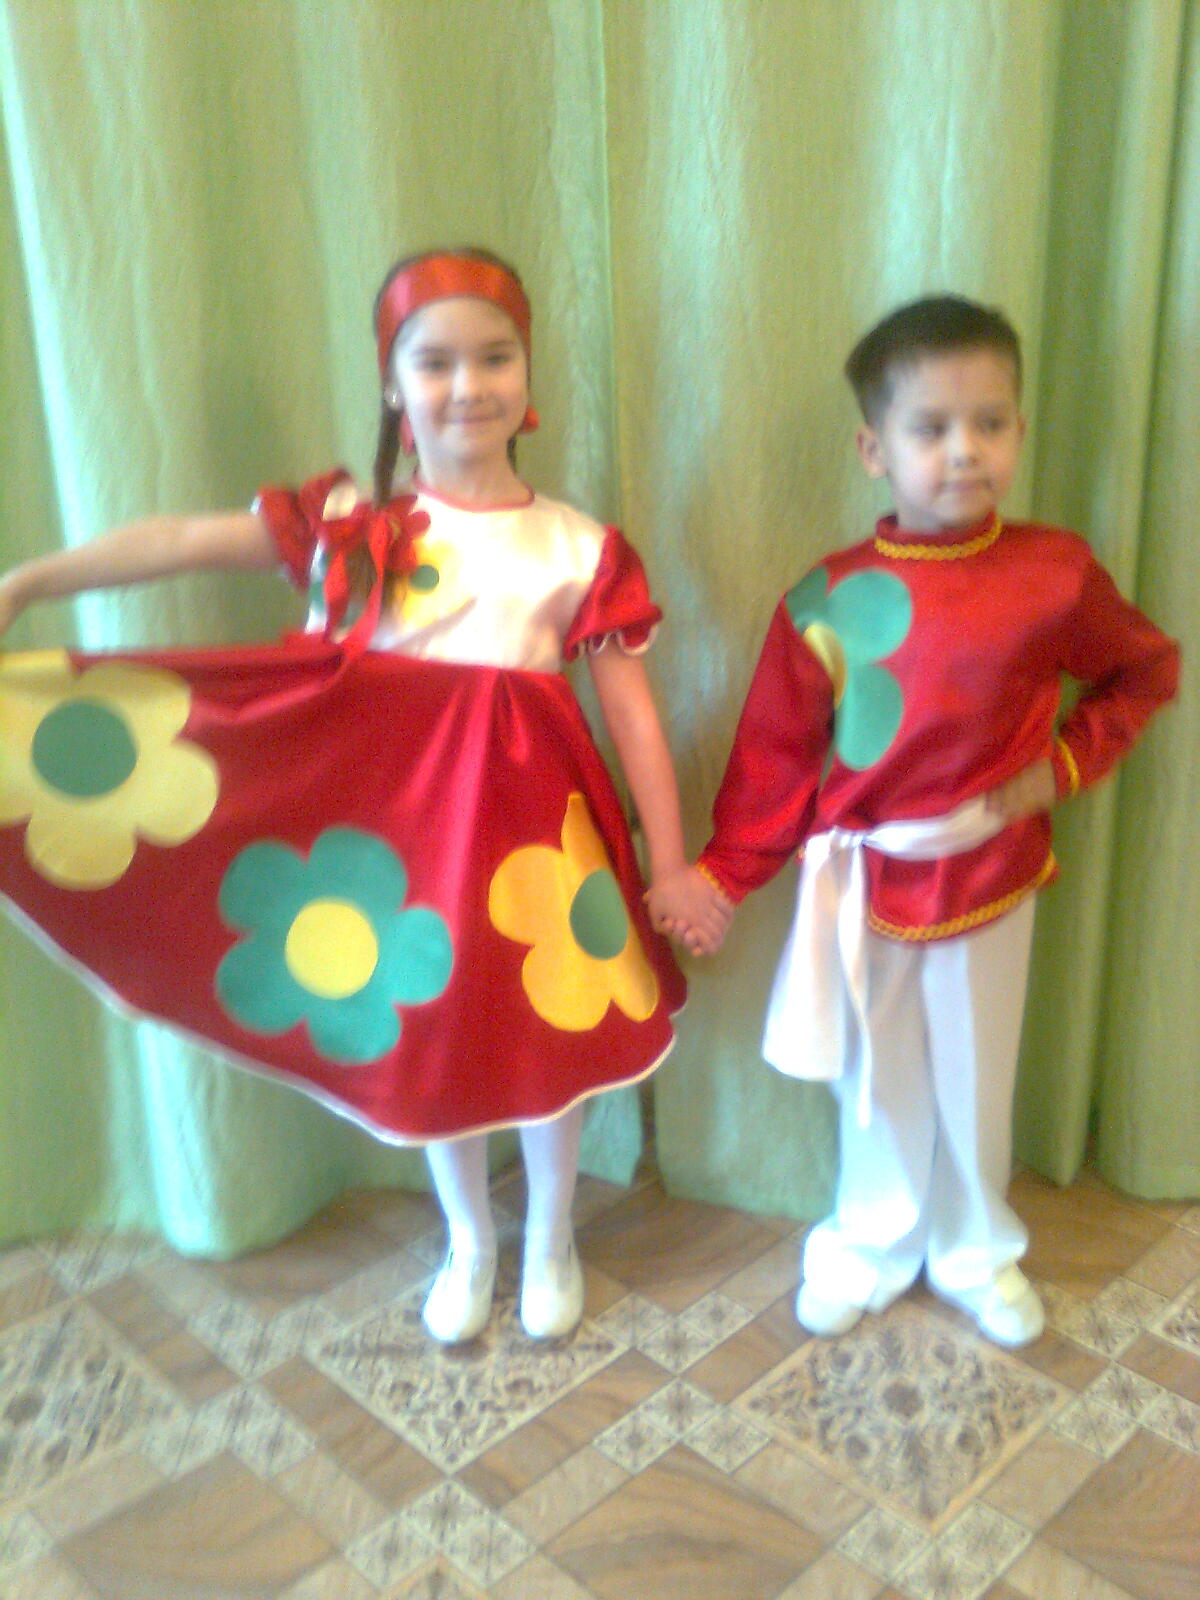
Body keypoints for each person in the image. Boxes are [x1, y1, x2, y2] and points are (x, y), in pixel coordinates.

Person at [0, 246, 725, 1345]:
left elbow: (632, 718)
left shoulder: (579, 546)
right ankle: (471, 1238)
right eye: (435, 362)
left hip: (538, 835)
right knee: (425, 1028)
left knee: (553, 1027)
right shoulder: (349, 527)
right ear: (393, 385)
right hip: (396, 838)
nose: (468, 385)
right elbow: (182, 540)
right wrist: (29, 582)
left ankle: (552, 1236)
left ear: (529, 376)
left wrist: (669, 864)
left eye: (495, 357)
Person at [658, 294, 1179, 1347]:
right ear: (875, 448)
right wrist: (721, 874)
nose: (964, 450)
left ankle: (976, 1250)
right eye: (931, 428)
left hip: (992, 868)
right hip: (867, 883)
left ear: (1019, 430)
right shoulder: (827, 599)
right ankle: (869, 1242)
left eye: (989, 423)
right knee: (877, 1078)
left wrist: (1064, 766)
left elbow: (1143, 669)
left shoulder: (1053, 573)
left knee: (979, 1078)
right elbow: (775, 757)